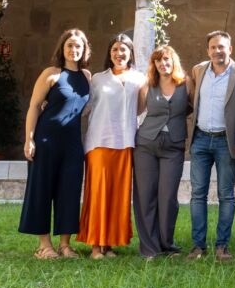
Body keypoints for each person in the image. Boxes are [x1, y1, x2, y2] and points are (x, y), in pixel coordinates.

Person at [19, 29, 92, 259]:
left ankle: (65, 245)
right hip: (46, 139)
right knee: (42, 190)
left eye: (78, 46)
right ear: (62, 48)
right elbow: (34, 106)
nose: (74, 50)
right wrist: (29, 139)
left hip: (72, 143)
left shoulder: (87, 77)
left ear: (84, 49)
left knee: (69, 192)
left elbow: (84, 109)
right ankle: (44, 246)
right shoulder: (51, 74)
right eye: (69, 45)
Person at [78, 33, 146, 259]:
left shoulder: (140, 78)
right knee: (99, 192)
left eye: (124, 49)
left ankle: (109, 244)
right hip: (99, 141)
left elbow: (140, 109)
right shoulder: (98, 79)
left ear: (130, 53)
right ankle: (96, 245)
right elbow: (85, 108)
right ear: (109, 53)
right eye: (115, 49)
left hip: (126, 141)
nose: (119, 54)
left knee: (118, 194)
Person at [186, 31, 235, 262]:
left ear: (230, 49)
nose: (217, 51)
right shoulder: (199, 70)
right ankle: (198, 246)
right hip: (201, 139)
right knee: (197, 194)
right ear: (208, 50)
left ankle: (222, 246)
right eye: (213, 47)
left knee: (226, 194)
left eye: (221, 47)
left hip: (226, 140)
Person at [133, 45, 190, 259]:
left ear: (173, 61)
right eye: (158, 61)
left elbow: (192, 105)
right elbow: (134, 111)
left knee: (167, 197)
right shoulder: (148, 86)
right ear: (154, 64)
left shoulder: (186, 84)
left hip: (173, 146)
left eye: (166, 59)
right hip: (146, 144)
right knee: (145, 196)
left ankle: (167, 244)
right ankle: (149, 248)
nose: (163, 64)